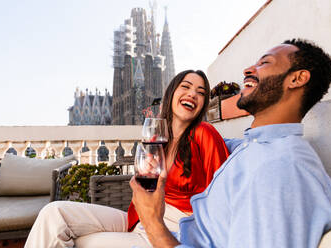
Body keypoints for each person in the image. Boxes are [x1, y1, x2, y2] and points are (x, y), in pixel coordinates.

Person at [130, 38, 331, 248]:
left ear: (297, 78)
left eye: (264, 63)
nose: (248, 70)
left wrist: (153, 224)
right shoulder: (257, 145)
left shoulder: (279, 168)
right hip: (182, 232)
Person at [24, 70, 229, 248]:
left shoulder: (205, 133)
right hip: (137, 216)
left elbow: (226, 193)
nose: (193, 94)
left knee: (79, 242)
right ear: (172, 93)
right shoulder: (159, 139)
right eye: (186, 86)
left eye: (201, 92)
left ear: (202, 104)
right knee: (54, 214)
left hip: (174, 226)